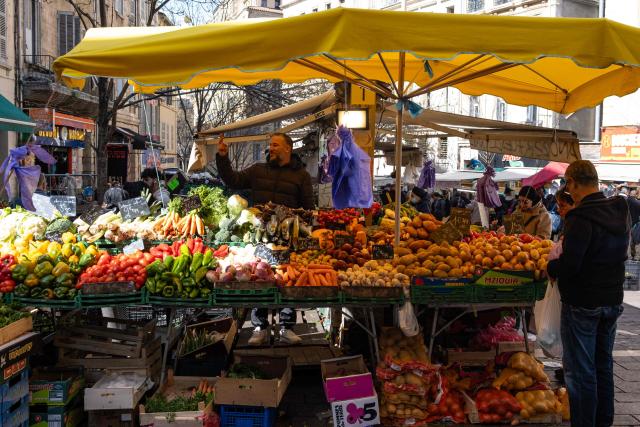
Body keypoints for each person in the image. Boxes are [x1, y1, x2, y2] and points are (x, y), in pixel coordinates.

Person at [546, 160, 629, 427]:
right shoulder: (619, 209)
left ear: (572, 183)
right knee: (602, 367)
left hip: (583, 303)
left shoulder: (580, 217)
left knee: (581, 374)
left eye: (567, 183)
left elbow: (571, 265)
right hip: (612, 300)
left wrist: (550, 266)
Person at [216, 132, 313, 346]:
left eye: (276, 145)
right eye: (270, 145)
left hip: (288, 237)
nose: (271, 148)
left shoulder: (302, 176)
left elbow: (309, 208)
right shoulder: (258, 170)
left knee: (286, 280)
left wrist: (301, 226)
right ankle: (259, 326)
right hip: (261, 236)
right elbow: (233, 180)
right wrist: (222, 158)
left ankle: (286, 327)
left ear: (288, 149)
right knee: (261, 277)